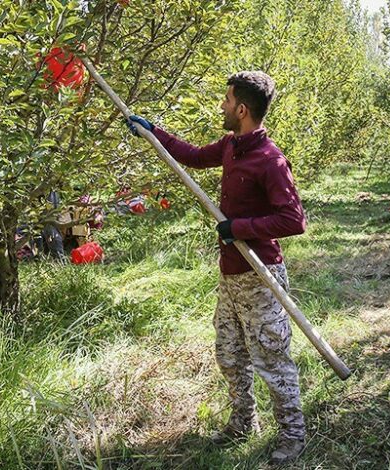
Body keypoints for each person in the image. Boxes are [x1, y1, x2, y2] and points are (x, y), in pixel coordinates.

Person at [127, 71, 307, 465]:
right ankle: (244, 422)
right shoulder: (230, 147)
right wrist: (151, 131)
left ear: (242, 109)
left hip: (260, 275)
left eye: (226, 101)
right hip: (231, 274)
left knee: (271, 358)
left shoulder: (270, 161)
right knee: (229, 352)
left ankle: (293, 434)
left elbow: (294, 220)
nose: (222, 107)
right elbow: (191, 155)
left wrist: (239, 228)